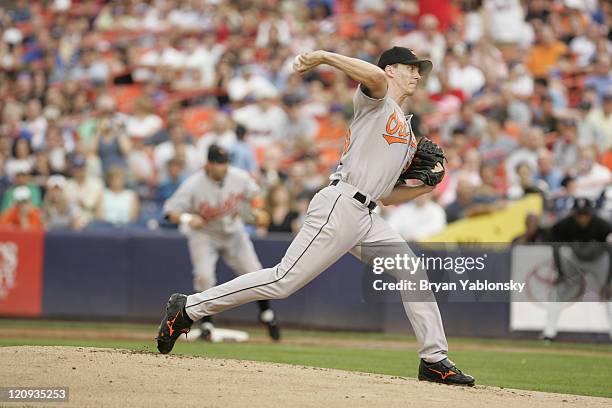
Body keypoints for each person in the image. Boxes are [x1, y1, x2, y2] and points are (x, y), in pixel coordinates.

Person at [156, 48, 475, 386]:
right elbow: (375, 78)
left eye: (420, 70)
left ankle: (434, 359)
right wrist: (324, 56)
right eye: (411, 68)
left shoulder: (408, 136)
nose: (417, 75)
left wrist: (423, 189)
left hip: (367, 214)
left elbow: (386, 196)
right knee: (282, 281)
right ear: (391, 69)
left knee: (411, 271)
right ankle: (189, 307)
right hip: (340, 204)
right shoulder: (376, 100)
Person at [162, 145, 281, 342]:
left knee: (255, 272)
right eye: (219, 163)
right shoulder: (193, 184)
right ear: (208, 164)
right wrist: (186, 218)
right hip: (205, 235)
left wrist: (258, 210)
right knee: (204, 277)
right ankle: (207, 323)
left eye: (225, 162)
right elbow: (169, 212)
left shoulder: (239, 177)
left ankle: (266, 314)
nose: (223, 167)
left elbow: (255, 194)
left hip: (233, 232)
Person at [543, 198, 612, 342]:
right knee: (558, 293)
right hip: (575, 259)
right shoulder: (564, 225)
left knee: (609, 294)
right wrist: (561, 272)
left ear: (591, 213)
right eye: (579, 214)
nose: (583, 218)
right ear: (574, 214)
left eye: (585, 214)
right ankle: (549, 333)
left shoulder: (603, 225)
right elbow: (554, 245)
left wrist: (609, 281)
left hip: (598, 260)